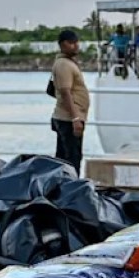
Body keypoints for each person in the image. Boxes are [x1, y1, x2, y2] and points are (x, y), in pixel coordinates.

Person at [51, 28, 90, 174]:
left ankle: (63, 187)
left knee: (64, 158)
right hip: (68, 119)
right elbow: (65, 92)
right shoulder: (63, 65)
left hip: (68, 118)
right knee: (71, 159)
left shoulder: (67, 63)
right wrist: (75, 118)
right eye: (71, 42)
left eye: (76, 42)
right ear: (62, 44)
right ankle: (71, 189)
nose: (75, 45)